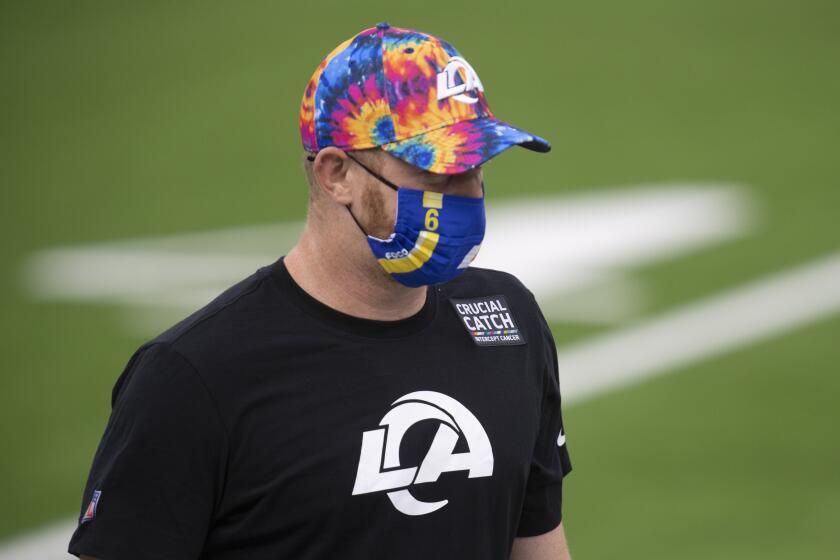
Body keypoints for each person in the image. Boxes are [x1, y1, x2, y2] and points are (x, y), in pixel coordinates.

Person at [69, 22, 572, 560]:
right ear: (337, 174)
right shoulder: (195, 376)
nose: (469, 197)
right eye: (438, 174)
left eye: (475, 169)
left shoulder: (509, 322)